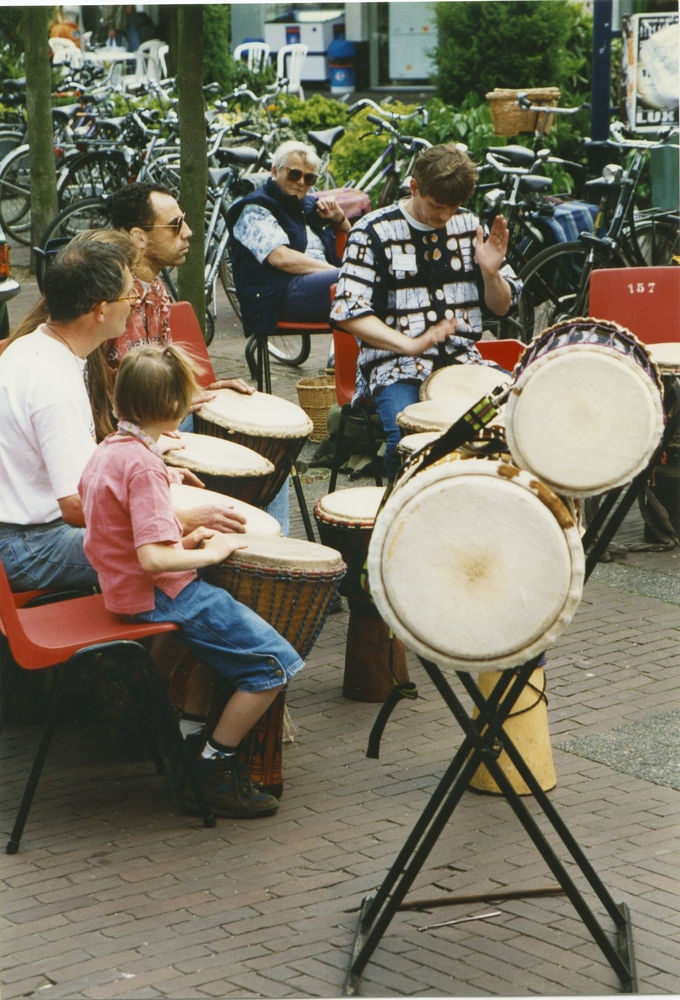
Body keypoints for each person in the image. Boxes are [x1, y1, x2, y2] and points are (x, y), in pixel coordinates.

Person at [78, 344, 304, 818]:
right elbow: (153, 558)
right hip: (160, 593)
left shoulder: (109, 450)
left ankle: (181, 735)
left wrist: (183, 534)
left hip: (125, 588)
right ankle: (211, 768)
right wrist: (212, 551)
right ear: (171, 407)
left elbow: (121, 532)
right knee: (274, 666)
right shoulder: (143, 466)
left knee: (213, 652)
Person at [330, 143, 522, 481]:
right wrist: (409, 344)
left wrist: (491, 274)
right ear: (414, 187)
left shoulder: (469, 226)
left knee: (517, 422)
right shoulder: (372, 231)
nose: (445, 216)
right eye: (436, 206)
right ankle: (401, 508)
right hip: (395, 366)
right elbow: (348, 312)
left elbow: (502, 306)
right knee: (408, 443)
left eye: (453, 207)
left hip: (463, 362)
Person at [0, 240, 134, 593]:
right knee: (174, 552)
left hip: (24, 533)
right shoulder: (54, 383)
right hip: (27, 545)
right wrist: (165, 518)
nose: (133, 304)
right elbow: (76, 505)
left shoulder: (37, 346)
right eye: (129, 296)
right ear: (100, 310)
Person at [227, 140, 350, 337]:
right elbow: (281, 258)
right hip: (276, 297)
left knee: (382, 277)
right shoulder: (254, 209)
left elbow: (354, 244)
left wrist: (340, 220)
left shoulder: (310, 206)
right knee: (360, 282)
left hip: (320, 286)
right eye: (294, 174)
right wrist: (341, 273)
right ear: (275, 171)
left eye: (309, 178)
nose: (301, 182)